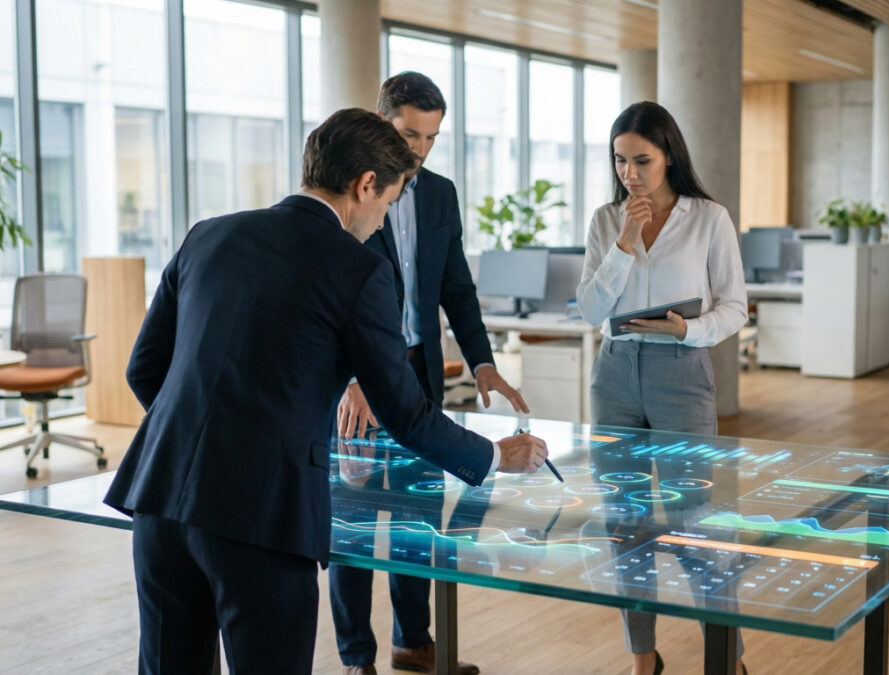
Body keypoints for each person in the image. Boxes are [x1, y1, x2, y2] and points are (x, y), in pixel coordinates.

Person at [103, 108, 549, 675]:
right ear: (366, 184)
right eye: (387, 203)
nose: (383, 221)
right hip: (263, 516)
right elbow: (406, 414)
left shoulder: (209, 234)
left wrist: (207, 439)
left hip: (160, 500)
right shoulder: (358, 269)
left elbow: (144, 370)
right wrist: (494, 455)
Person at [330, 72, 529, 675]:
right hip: (360, 382)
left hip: (419, 372)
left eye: (431, 138)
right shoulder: (350, 192)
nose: (418, 150)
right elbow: (330, 299)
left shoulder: (440, 194)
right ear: (381, 121)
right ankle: (355, 660)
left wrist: (483, 361)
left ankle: (413, 643)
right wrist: (353, 379)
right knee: (357, 525)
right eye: (408, 134)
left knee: (419, 514)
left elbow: (456, 288)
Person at [576, 101, 748, 675]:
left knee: (694, 522)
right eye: (621, 160)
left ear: (669, 155)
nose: (630, 172)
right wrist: (624, 242)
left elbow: (735, 308)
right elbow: (591, 309)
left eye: (642, 160)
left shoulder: (708, 218)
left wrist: (689, 329)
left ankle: (726, 660)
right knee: (623, 522)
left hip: (682, 373)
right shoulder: (606, 220)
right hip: (616, 373)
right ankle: (643, 658)